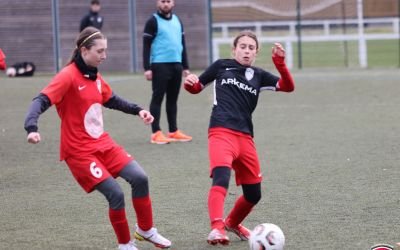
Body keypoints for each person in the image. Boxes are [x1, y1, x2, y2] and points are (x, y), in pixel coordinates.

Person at [24, 27, 171, 250]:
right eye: (100, 51)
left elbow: (111, 99)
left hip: (102, 143)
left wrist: (138, 110)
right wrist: (31, 127)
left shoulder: (95, 75)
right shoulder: (67, 76)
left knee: (140, 178)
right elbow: (40, 100)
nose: (105, 56)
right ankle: (125, 245)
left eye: (106, 50)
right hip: (79, 152)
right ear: (84, 50)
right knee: (115, 193)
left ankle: (146, 230)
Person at [183, 30, 295, 245]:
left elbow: (288, 87)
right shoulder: (220, 66)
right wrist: (189, 82)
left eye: (251, 48)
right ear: (234, 50)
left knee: (254, 194)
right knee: (221, 177)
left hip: (245, 138)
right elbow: (196, 87)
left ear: (256, 53)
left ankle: (232, 223)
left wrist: (279, 63)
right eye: (242, 46)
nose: (246, 51)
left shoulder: (259, 75)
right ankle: (216, 228)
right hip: (220, 132)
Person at [142, 0, 192, 144]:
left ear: (173, 3)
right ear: (158, 3)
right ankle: (156, 132)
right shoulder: (152, 21)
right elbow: (146, 46)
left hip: (176, 65)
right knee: (157, 98)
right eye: (163, 1)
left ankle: (173, 131)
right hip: (159, 65)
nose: (165, 4)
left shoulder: (178, 20)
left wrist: (185, 66)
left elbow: (182, 44)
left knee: (172, 99)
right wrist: (147, 68)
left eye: (168, 1)